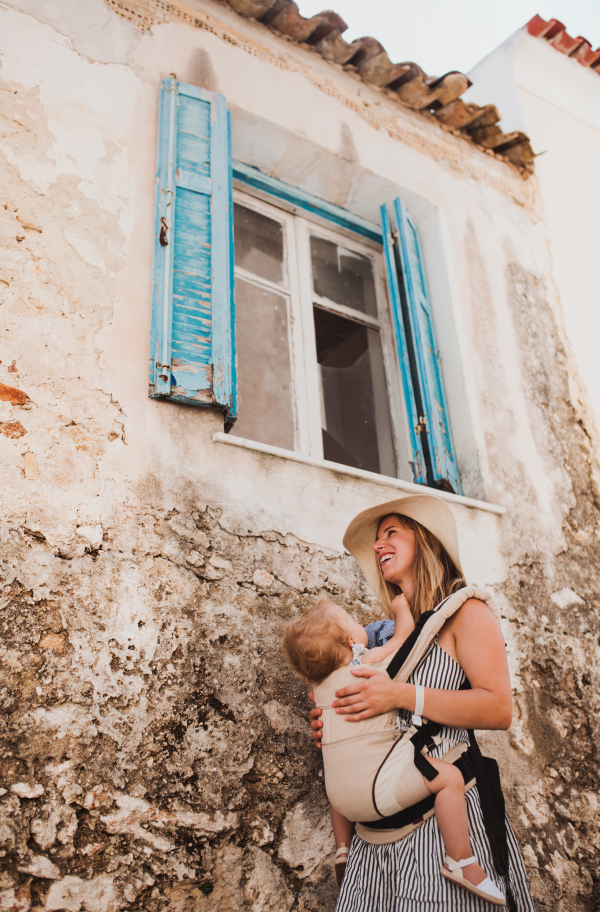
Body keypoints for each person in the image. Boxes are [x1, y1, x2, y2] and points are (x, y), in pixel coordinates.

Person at [308, 494, 535, 911]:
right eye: (376, 539)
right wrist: (335, 720)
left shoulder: (468, 612)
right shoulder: (378, 636)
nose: (378, 546)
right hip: (371, 847)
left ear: (426, 541)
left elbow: (499, 709)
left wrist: (399, 695)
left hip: (440, 829)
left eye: (391, 532)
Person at [282, 594, 506, 904]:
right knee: (449, 779)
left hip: (343, 801)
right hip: (380, 791)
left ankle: (343, 849)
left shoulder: (318, 690)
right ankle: (461, 859)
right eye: (355, 623)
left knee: (339, 770)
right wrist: (402, 610)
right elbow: (402, 639)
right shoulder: (365, 663)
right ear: (351, 642)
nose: (365, 628)